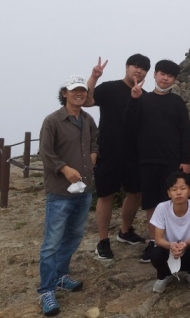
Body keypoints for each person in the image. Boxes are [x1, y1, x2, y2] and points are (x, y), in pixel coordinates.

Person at [37, 75, 98, 316]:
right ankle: (46, 290)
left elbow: (95, 140)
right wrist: (64, 168)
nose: (79, 94)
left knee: (73, 236)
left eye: (82, 90)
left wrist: (94, 155)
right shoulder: (52, 121)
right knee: (51, 243)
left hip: (83, 191)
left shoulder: (87, 119)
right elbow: (45, 152)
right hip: (60, 192)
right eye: (74, 91)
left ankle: (61, 276)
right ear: (65, 93)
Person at [125, 59, 190, 263]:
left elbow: (185, 132)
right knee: (151, 203)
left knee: (173, 202)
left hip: (172, 161)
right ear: (154, 74)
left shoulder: (178, 102)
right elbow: (129, 124)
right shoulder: (142, 99)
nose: (165, 78)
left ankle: (175, 242)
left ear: (174, 80)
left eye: (170, 76)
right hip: (147, 160)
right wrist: (134, 100)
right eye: (162, 73)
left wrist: (185, 160)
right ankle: (154, 242)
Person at [85, 54, 151, 260]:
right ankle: (103, 241)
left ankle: (125, 231)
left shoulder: (145, 96)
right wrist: (94, 77)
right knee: (106, 195)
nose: (138, 71)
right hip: (109, 151)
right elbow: (87, 101)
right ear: (127, 67)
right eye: (135, 66)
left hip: (134, 153)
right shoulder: (109, 87)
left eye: (143, 68)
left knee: (135, 192)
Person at [149, 172, 190, 293]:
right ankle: (164, 275)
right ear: (169, 193)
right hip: (168, 249)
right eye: (174, 189)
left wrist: (184, 245)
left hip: (187, 249)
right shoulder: (162, 208)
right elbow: (158, 239)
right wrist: (171, 246)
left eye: (183, 188)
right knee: (155, 253)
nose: (179, 193)